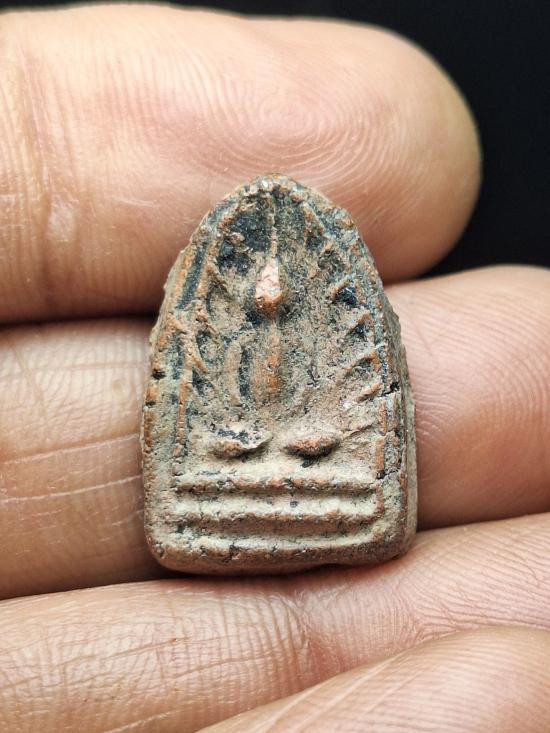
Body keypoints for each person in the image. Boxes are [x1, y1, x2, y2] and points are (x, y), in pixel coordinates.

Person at [1, 4, 549, 731]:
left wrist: (306, 434)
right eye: (262, 287)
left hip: (304, 443)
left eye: (278, 287)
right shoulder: (237, 342)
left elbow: (318, 401)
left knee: (310, 439)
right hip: (246, 447)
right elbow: (231, 401)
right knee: (237, 441)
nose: (270, 294)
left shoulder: (303, 337)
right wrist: (245, 434)